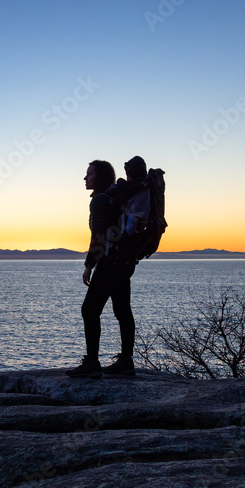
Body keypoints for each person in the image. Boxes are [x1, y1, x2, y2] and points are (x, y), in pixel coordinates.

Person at [66, 157, 147, 378]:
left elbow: (99, 236)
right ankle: (126, 361)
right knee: (122, 310)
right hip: (125, 263)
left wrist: (89, 265)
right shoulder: (114, 199)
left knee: (89, 310)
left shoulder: (101, 200)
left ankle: (92, 363)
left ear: (99, 177)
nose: (85, 177)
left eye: (89, 174)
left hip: (110, 263)